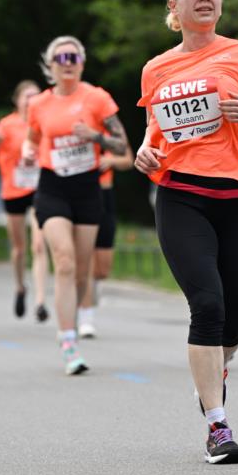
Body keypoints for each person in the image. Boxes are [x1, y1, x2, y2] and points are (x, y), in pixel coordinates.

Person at [135, 0, 238, 464]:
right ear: (173, 9)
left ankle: (213, 372)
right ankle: (217, 427)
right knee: (209, 306)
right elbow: (154, 134)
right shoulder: (156, 68)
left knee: (233, 328)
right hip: (181, 196)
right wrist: (144, 152)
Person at [23, 36, 130, 374]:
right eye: (61, 57)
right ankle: (68, 340)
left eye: (74, 56)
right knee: (65, 262)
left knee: (82, 271)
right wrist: (28, 150)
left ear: (82, 63)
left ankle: (72, 323)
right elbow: (32, 137)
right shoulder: (38, 104)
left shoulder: (97, 98)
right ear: (50, 65)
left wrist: (95, 137)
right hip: (52, 188)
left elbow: (122, 144)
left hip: (88, 190)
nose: (67, 62)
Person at [0, 80, 51, 321]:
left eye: (36, 96)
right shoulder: (5, 126)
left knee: (39, 246)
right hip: (13, 191)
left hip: (40, 189)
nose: (31, 100)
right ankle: (20, 287)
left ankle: (40, 301)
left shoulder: (45, 122)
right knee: (19, 249)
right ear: (17, 100)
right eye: (26, 96)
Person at [77, 145, 134, 338]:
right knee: (85, 257)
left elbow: (128, 159)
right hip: (82, 194)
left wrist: (111, 161)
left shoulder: (108, 132)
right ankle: (86, 318)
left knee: (102, 270)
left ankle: (92, 285)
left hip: (105, 195)